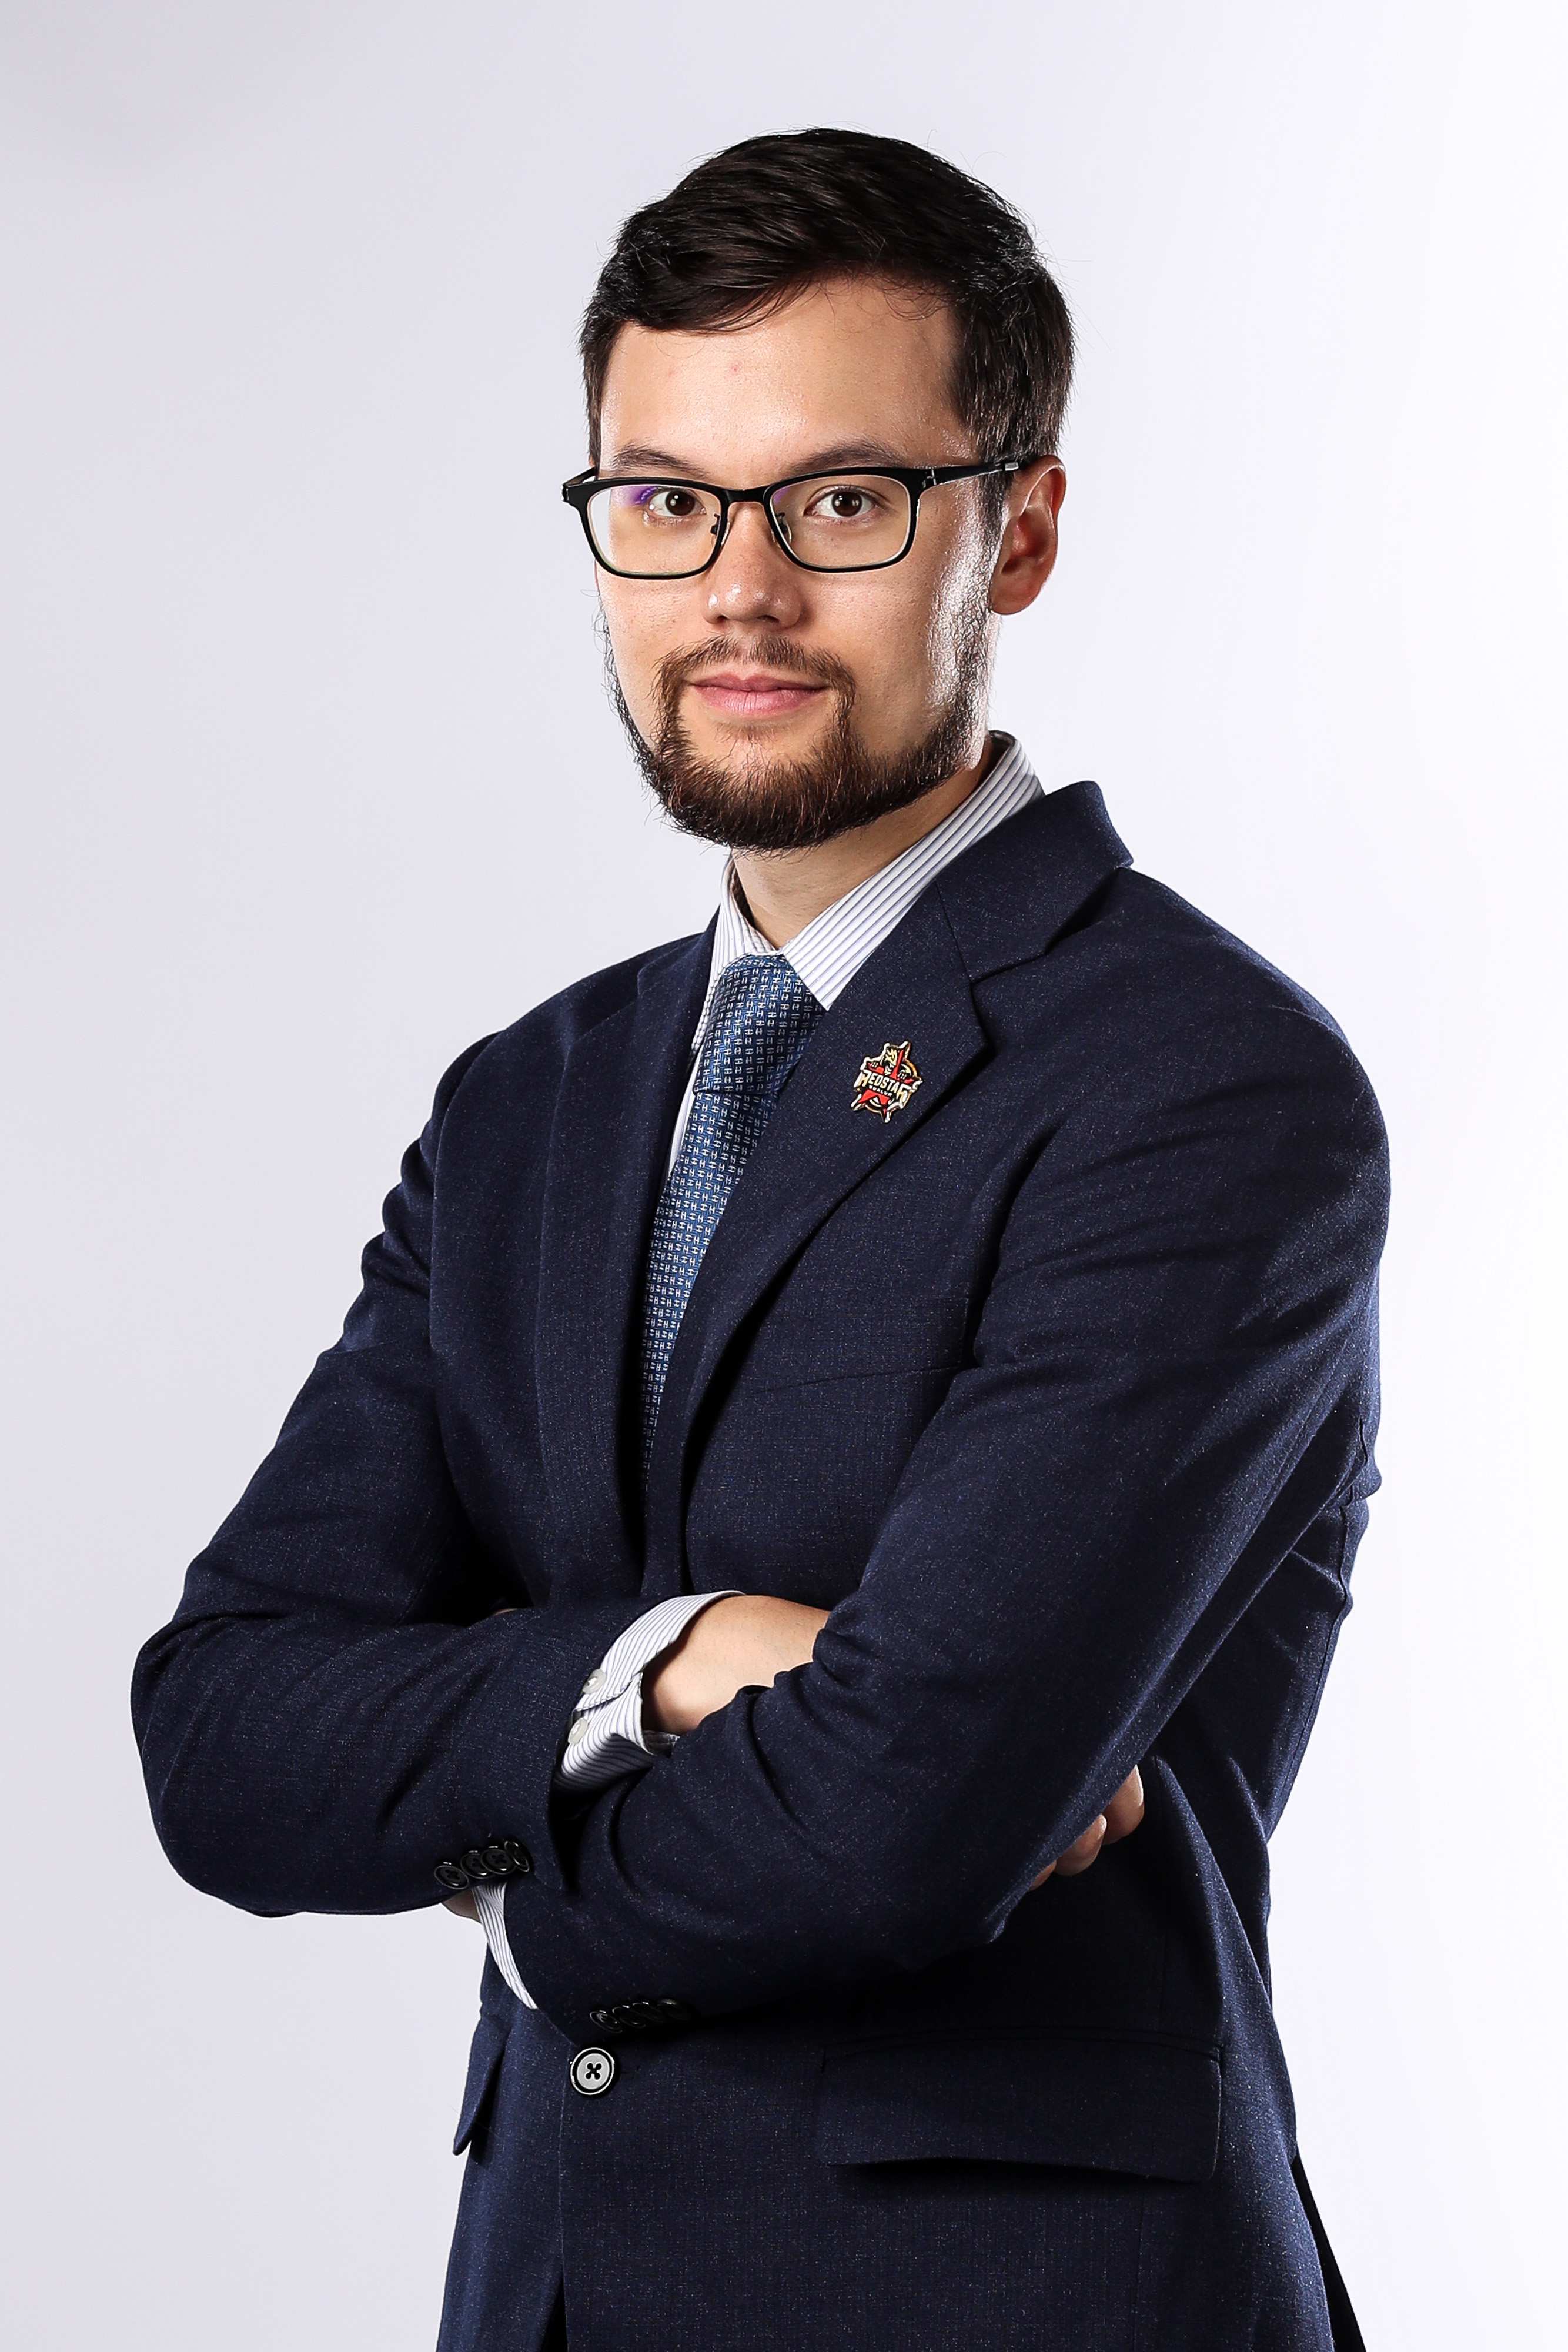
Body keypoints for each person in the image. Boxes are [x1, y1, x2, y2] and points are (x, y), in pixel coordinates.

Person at [132, 128, 1386, 2352]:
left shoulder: (1198, 1085)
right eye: (663, 502)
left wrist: (510, 1895)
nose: (736, 589)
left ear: (1016, 530)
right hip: (552, 2297)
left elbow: (907, 1812)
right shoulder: (526, 1103)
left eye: (839, 500)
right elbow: (221, 1732)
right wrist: (674, 1654)